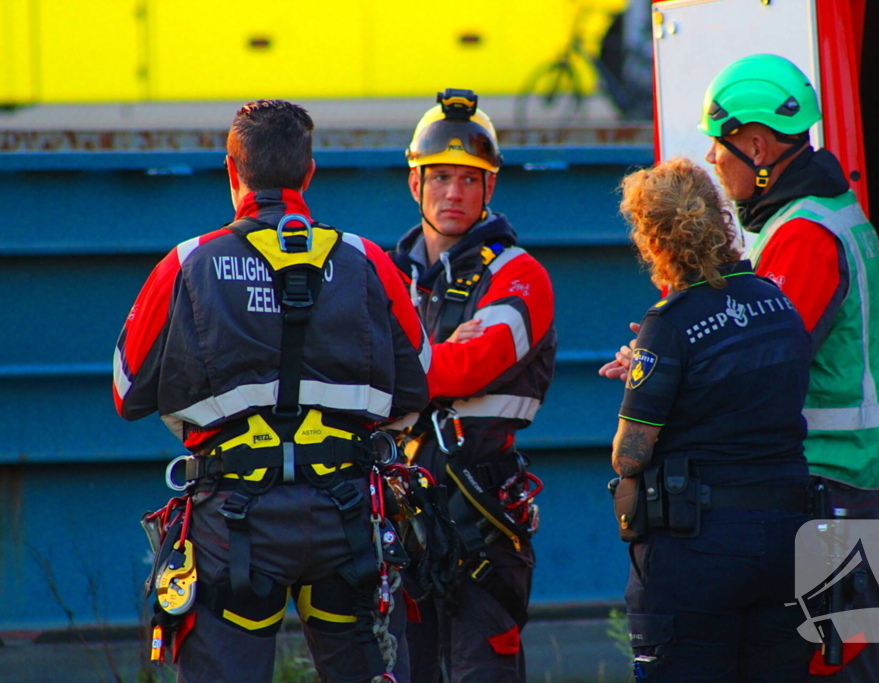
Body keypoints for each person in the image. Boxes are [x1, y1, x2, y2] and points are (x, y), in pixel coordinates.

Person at [603, 54, 879, 682]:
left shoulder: (803, 236)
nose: (712, 159)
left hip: (836, 490)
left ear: (760, 145)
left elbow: (762, 356)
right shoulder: (820, 214)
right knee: (842, 661)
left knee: (837, 671)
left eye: (721, 144)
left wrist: (672, 358)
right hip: (853, 483)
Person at [113, 99, 430, 683]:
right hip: (347, 518)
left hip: (231, 526)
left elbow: (128, 390)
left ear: (232, 171)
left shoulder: (187, 264)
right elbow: (418, 382)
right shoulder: (369, 262)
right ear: (309, 174)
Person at [610, 157, 812, 681]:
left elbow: (630, 454)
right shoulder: (778, 302)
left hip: (699, 550)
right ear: (718, 218)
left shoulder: (670, 324)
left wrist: (645, 378)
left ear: (654, 240)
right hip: (788, 543)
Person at [386, 88, 557, 683]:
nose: (453, 193)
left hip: (482, 522)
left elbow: (465, 369)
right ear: (416, 184)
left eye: (469, 179)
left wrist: (397, 367)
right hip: (401, 518)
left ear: (490, 189)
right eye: (440, 178)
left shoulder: (521, 276)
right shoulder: (385, 273)